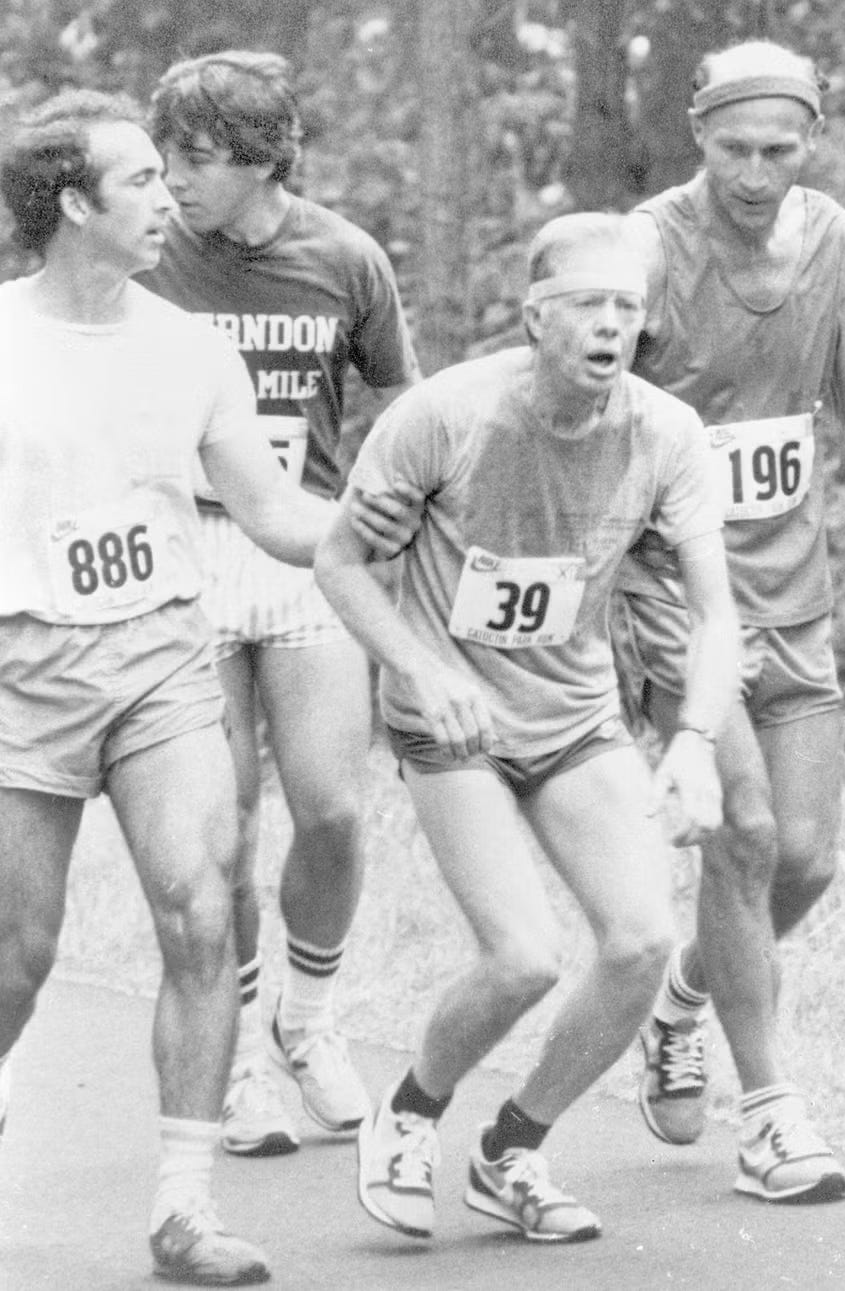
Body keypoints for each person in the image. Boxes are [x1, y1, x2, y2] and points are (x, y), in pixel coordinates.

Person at [0, 90, 412, 1285]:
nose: (164, 198)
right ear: (73, 205)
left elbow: (277, 511)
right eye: (138, 181)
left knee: (196, 906)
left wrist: (386, 531)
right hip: (21, 667)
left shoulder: (190, 346)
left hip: (159, 657)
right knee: (20, 952)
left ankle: (183, 1209)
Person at [314, 212, 740, 1243]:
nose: (608, 327)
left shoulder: (665, 432)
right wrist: (418, 665)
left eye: (626, 308)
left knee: (640, 944)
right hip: (448, 720)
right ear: (533, 315)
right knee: (522, 958)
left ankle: (512, 1148)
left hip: (573, 716)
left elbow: (715, 612)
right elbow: (338, 563)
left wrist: (691, 740)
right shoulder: (444, 415)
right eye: (586, 305)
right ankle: (409, 1114)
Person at [613, 39, 845, 1203]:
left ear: (809, 140)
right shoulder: (649, 245)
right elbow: (580, 403)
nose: (752, 172)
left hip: (792, 591)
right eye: (729, 149)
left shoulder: (834, 241)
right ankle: (768, 1116)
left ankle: (681, 999)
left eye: (776, 148)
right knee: (744, 835)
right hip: (673, 594)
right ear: (697, 136)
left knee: (805, 857)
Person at [140, 50, 422, 1159]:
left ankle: (306, 1019)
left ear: (264, 161)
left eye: (199, 159)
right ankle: (240, 1066)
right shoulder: (149, 256)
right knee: (225, 824)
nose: (174, 180)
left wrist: (380, 524)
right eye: (165, 158)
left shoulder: (345, 257)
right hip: (186, 549)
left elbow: (399, 398)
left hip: (305, 547)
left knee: (334, 809)